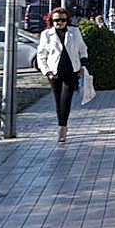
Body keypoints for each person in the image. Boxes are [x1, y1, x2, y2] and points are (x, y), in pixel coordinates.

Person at [35, 7, 89, 143]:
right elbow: (41, 55)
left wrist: (83, 66)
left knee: (66, 100)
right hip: (54, 73)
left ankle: (62, 127)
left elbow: (82, 49)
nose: (60, 22)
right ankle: (62, 124)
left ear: (67, 20)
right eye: (57, 20)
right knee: (58, 101)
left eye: (63, 20)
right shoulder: (46, 34)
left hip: (71, 71)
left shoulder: (74, 32)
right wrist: (47, 72)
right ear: (51, 20)